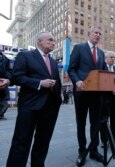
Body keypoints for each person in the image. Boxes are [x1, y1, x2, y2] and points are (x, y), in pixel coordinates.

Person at [6, 31, 62, 167]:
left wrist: (58, 100)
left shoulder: (53, 62)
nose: (53, 43)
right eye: (50, 40)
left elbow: (57, 82)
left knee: (43, 142)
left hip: (50, 108)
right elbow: (16, 77)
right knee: (21, 142)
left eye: (54, 41)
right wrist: (39, 83)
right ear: (39, 41)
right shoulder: (25, 56)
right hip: (30, 106)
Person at [68, 26, 106, 166]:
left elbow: (104, 73)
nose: (98, 35)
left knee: (95, 123)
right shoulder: (79, 48)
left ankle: (94, 150)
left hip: (97, 95)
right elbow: (71, 69)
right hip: (82, 92)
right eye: (95, 32)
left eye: (99, 33)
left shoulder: (101, 53)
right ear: (89, 34)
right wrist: (77, 81)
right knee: (81, 123)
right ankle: (82, 151)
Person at [104, 51, 115, 145]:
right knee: (104, 120)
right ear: (106, 58)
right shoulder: (102, 68)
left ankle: (113, 138)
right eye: (111, 57)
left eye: (114, 57)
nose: (113, 59)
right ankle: (104, 140)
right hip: (105, 99)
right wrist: (110, 89)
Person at [0, 51, 11, 119]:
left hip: (2, 86)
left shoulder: (5, 58)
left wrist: (7, 79)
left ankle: (1, 114)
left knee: (4, 103)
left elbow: (9, 71)